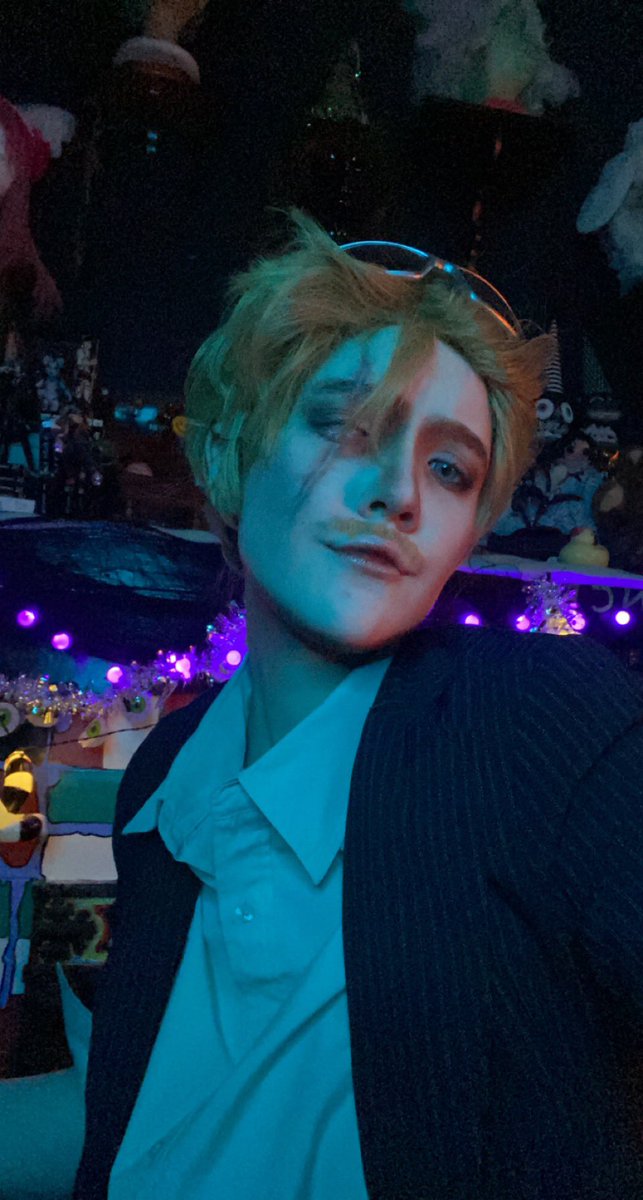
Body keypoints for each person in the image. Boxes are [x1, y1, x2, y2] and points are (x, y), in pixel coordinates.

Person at [7, 213, 643, 1199]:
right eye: (345, 427)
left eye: (448, 468)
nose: (399, 493)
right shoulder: (165, 776)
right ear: (230, 458)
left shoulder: (538, 720)